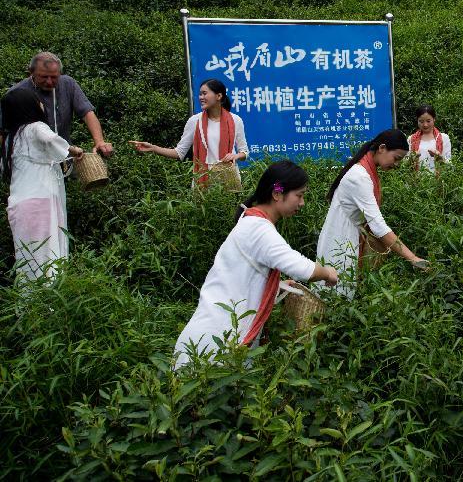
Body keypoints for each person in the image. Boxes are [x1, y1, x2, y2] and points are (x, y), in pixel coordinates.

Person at [173, 161, 338, 368]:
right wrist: (328, 273)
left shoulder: (250, 220)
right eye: (299, 195)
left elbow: (242, 274)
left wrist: (277, 285)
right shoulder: (259, 229)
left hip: (215, 333)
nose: (302, 202)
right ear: (277, 194)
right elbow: (303, 269)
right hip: (217, 341)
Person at [315, 129, 427, 298]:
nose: (397, 164)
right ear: (382, 148)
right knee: (335, 297)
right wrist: (412, 258)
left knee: (340, 295)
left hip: (348, 234)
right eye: (396, 158)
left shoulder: (365, 170)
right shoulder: (359, 177)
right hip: (341, 239)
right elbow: (378, 226)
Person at [2, 87, 84, 282]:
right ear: (30, 105)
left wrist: (68, 160)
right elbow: (50, 139)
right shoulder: (36, 127)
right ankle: (49, 310)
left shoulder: (12, 138)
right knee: (49, 260)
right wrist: (72, 150)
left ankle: (30, 309)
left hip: (22, 206)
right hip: (41, 205)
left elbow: (48, 164)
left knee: (29, 262)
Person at [129, 79, 249, 185]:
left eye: (205, 93)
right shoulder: (194, 121)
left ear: (218, 96)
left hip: (229, 181)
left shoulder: (235, 120)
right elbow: (179, 153)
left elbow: (244, 152)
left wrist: (235, 155)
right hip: (203, 183)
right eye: (200, 94)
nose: (201, 97)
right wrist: (153, 148)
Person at [3, 52, 113, 157]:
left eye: (54, 77)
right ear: (31, 72)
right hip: (31, 159)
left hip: (64, 154)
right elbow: (3, 130)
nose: (49, 82)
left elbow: (87, 113)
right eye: (44, 77)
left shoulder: (68, 84)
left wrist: (99, 141)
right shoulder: (16, 93)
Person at [407, 104, 451, 173]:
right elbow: (405, 165)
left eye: (428, 121)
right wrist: (413, 158)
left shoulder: (444, 138)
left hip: (439, 181)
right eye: (421, 121)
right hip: (417, 182)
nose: (425, 125)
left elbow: (449, 164)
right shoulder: (411, 139)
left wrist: (439, 158)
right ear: (417, 121)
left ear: (434, 119)